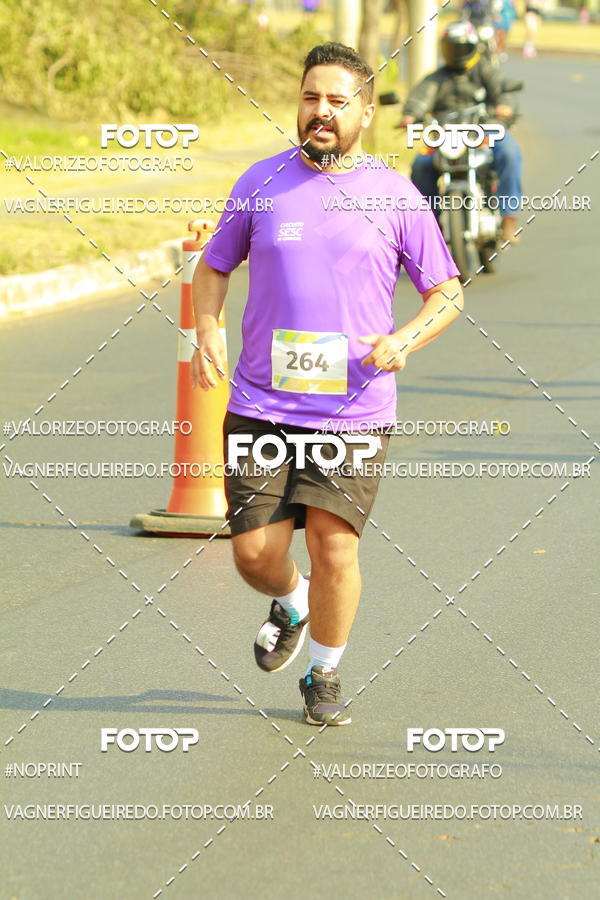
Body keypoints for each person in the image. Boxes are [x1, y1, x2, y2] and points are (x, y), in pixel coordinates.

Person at [191, 42, 463, 726]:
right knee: (255, 555)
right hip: (261, 401)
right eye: (312, 97)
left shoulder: (396, 196)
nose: (321, 112)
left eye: (338, 102)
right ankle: (292, 602)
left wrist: (402, 340)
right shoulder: (261, 182)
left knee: (335, 545)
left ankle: (325, 671)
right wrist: (208, 327)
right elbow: (214, 264)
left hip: (354, 410)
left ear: (365, 113)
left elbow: (448, 292)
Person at [400, 21, 523, 243]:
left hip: (485, 132)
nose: (455, 53)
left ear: (473, 47)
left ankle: (508, 218)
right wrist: (410, 115)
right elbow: (419, 99)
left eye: (460, 47)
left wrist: (504, 107)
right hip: (447, 137)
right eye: (451, 47)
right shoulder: (437, 78)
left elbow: (503, 91)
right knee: (421, 165)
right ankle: (430, 226)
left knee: (510, 153)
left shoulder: (485, 71)